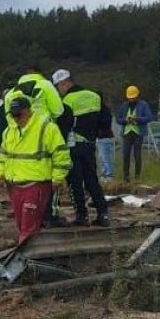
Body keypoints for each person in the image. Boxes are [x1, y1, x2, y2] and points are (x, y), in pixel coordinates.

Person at [0, 97, 71, 244]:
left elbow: (61, 154)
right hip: (15, 185)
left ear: (29, 111)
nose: (17, 119)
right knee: (21, 224)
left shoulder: (46, 128)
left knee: (28, 226)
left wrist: (58, 178)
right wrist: (0, 173)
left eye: (19, 115)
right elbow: (4, 155)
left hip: (36, 183)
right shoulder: (9, 131)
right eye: (13, 115)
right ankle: (29, 250)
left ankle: (26, 252)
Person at [54, 69, 111, 227]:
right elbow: (106, 120)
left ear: (64, 83)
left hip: (73, 146)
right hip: (90, 144)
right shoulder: (94, 96)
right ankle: (103, 214)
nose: (59, 90)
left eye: (58, 87)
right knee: (92, 180)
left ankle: (81, 216)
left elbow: (63, 125)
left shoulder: (67, 101)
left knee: (75, 182)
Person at [115, 86, 152, 183]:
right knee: (126, 155)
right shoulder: (124, 105)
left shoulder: (143, 105)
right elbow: (118, 119)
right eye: (130, 98)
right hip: (127, 133)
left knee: (137, 155)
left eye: (133, 97)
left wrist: (137, 119)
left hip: (138, 133)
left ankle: (137, 178)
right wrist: (125, 121)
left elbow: (149, 117)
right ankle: (125, 178)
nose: (132, 99)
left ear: (137, 96)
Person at [96, 100, 116, 180]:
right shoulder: (99, 111)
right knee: (101, 158)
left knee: (106, 158)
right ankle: (103, 175)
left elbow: (105, 124)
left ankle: (108, 176)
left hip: (105, 137)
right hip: (99, 138)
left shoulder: (104, 111)